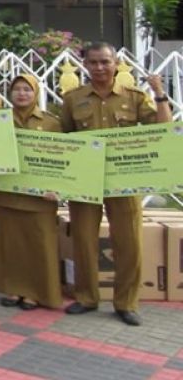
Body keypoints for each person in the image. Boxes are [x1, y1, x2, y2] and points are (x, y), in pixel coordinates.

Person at [58, 42, 172, 327]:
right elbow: (61, 141)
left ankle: (126, 302)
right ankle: (86, 297)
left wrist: (159, 93)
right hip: (86, 181)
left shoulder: (133, 98)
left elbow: (164, 129)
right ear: (85, 65)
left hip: (124, 182)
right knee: (84, 241)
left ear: (116, 63)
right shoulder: (73, 99)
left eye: (105, 62)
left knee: (128, 243)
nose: (99, 68)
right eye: (93, 62)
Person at [0, 74, 62, 311]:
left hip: (39, 197)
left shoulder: (51, 123)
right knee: (11, 245)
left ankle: (35, 292)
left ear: (36, 92)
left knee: (39, 245)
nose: (22, 93)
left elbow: (60, 158)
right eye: (16, 89)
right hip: (7, 193)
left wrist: (56, 188)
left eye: (27, 89)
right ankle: (14, 289)